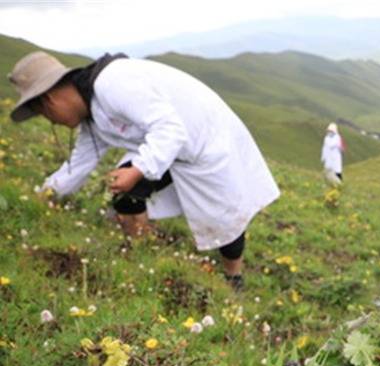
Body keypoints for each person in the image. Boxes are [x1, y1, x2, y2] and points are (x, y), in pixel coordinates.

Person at [8, 51, 280, 291]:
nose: (51, 122)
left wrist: (138, 169)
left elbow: (170, 129)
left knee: (225, 219)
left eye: (45, 115)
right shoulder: (92, 115)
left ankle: (234, 278)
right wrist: (43, 195)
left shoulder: (113, 84)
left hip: (208, 143)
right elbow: (78, 165)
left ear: (50, 100)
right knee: (125, 192)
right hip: (171, 151)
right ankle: (140, 245)